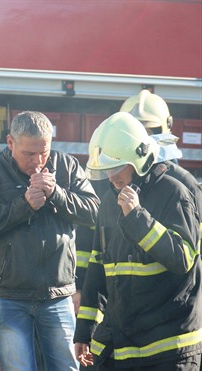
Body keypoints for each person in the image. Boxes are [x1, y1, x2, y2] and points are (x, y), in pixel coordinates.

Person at [0, 111, 100, 371]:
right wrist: (22, 206)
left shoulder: (66, 166)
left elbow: (94, 211)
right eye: (29, 154)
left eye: (44, 152)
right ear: (10, 143)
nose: (38, 161)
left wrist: (56, 193)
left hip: (58, 294)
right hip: (8, 295)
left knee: (66, 368)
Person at [74, 112, 202, 370]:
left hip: (168, 350)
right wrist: (84, 331)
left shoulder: (174, 193)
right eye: (106, 170)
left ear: (139, 160)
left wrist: (138, 218)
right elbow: (100, 268)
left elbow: (183, 258)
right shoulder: (110, 201)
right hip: (122, 345)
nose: (111, 177)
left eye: (117, 167)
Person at [120, 89, 202, 233]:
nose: (142, 141)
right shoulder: (110, 180)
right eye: (135, 133)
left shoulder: (184, 183)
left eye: (149, 132)